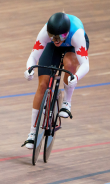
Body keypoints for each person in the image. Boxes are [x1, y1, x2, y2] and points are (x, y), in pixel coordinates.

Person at [22, 12, 89, 149]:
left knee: (69, 63)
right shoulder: (46, 34)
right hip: (53, 49)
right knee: (42, 85)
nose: (56, 40)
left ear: (66, 33)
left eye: (60, 37)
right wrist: (29, 69)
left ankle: (67, 102)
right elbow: (33, 57)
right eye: (53, 37)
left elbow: (85, 65)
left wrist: (75, 77)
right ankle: (32, 133)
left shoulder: (77, 35)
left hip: (71, 46)